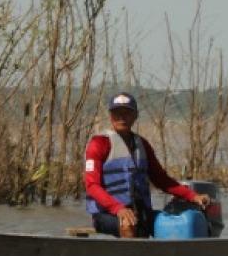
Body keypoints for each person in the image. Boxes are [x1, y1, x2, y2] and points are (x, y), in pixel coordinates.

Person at [84, 92, 210, 238]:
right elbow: (92, 186)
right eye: (117, 113)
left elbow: (161, 180)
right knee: (128, 223)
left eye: (127, 113)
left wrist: (193, 196)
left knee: (180, 222)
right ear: (111, 115)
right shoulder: (98, 144)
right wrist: (118, 209)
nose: (121, 117)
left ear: (135, 116)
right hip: (107, 214)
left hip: (141, 212)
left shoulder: (143, 145)